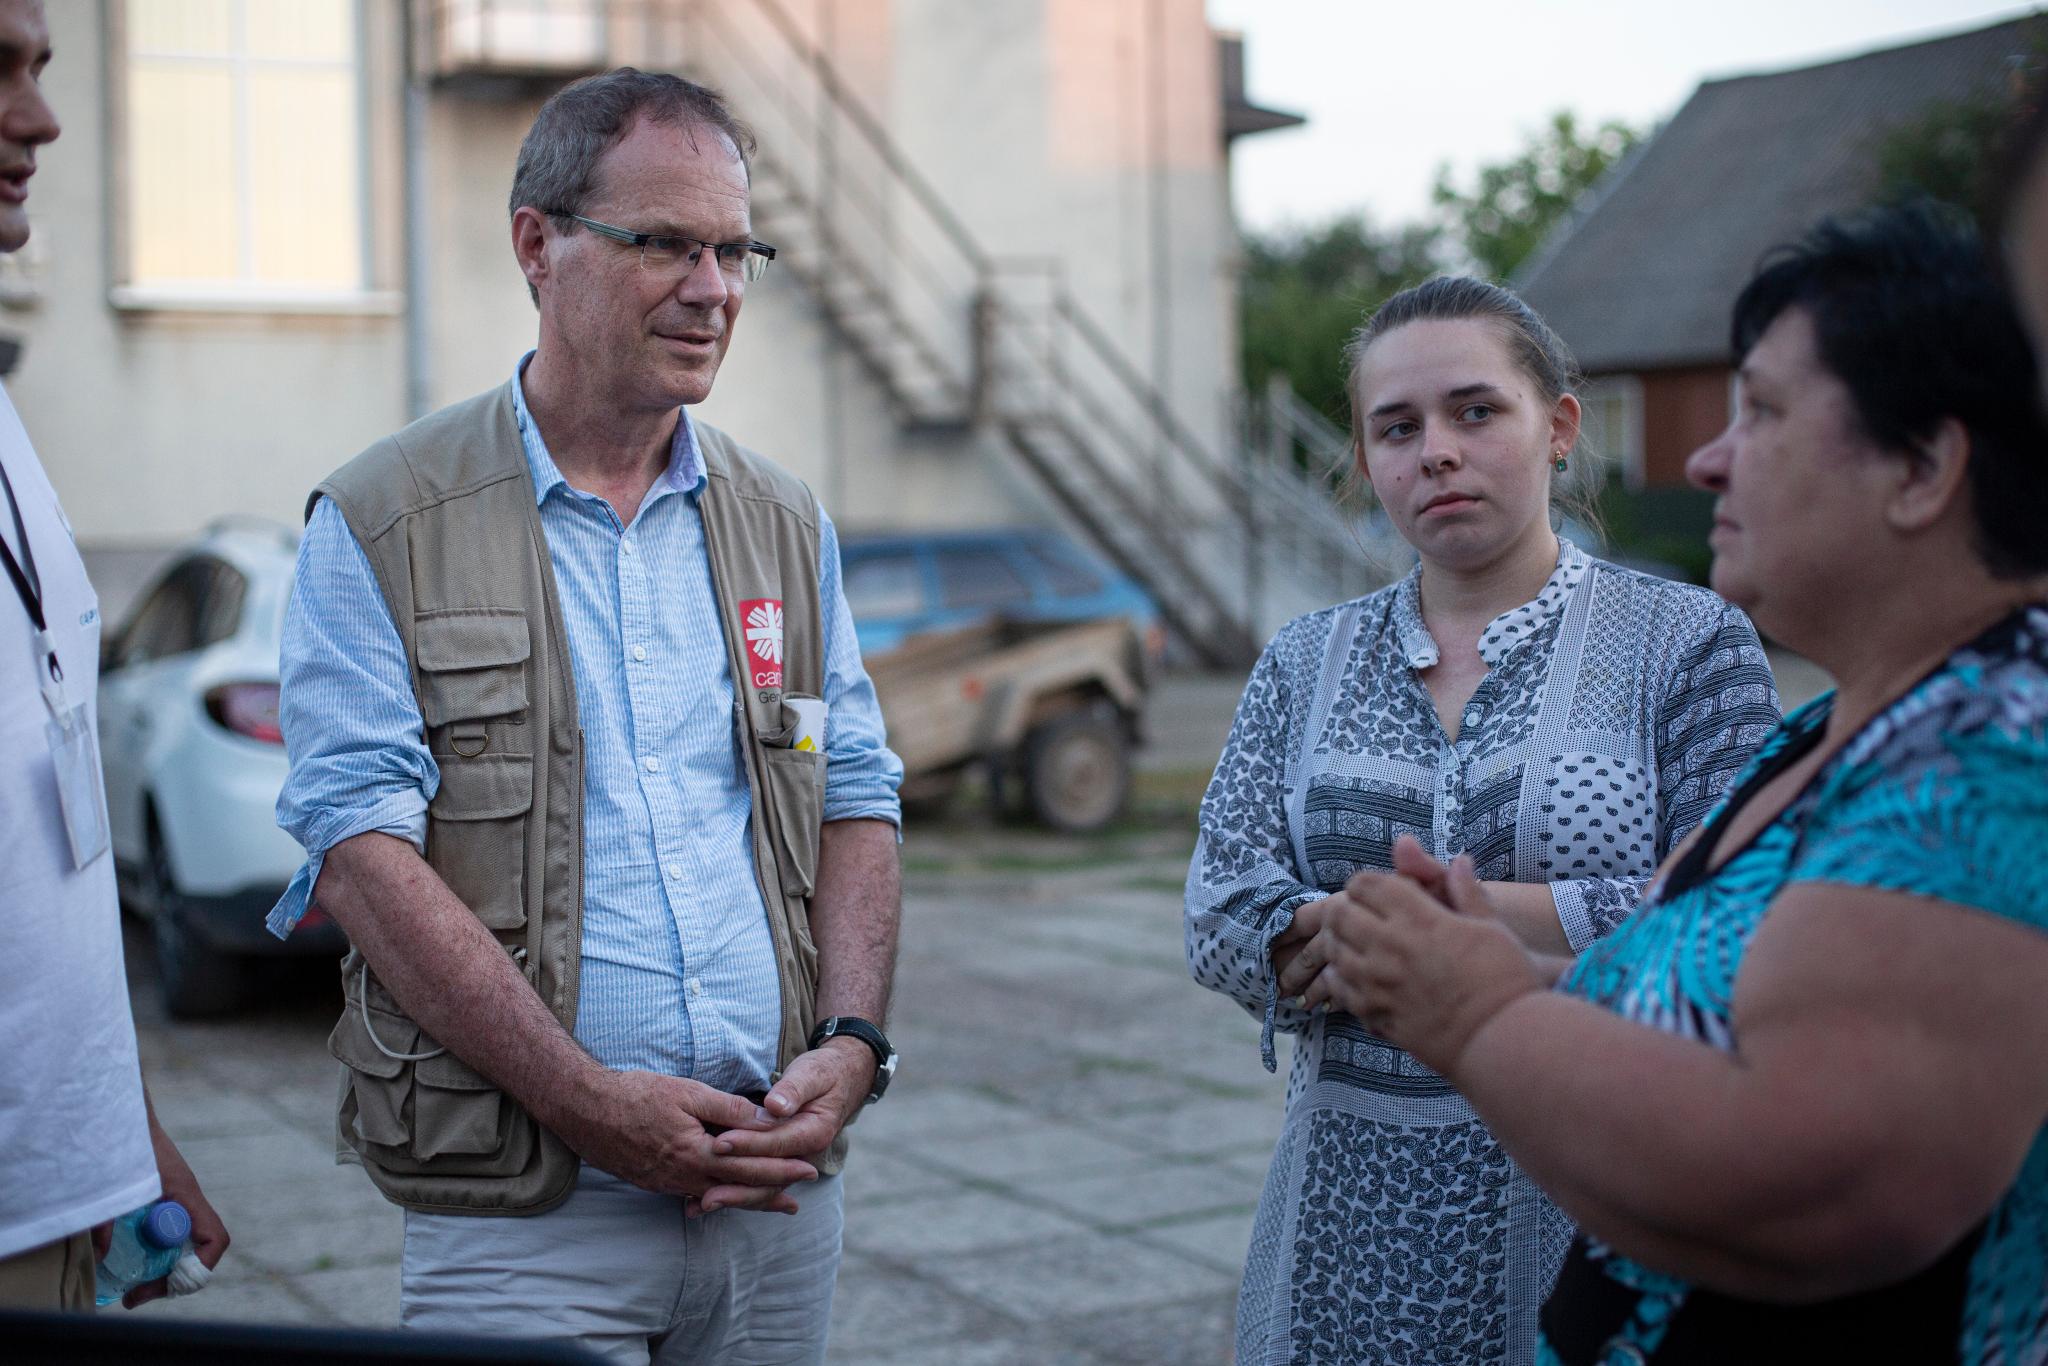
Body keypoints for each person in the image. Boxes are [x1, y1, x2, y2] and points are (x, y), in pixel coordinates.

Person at [1292, 203, 2048, 1363]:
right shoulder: (1831, 730)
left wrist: (1478, 1010)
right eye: (1394, 426)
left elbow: (1818, 1191)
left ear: (1920, 467)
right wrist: (1510, 966)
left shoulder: (1994, 754)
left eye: (1760, 411)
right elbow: (1708, 995)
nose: (1704, 457)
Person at [267, 69, 903, 1363]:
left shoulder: (782, 522)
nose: (714, 286)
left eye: (735, 249)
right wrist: (590, 1101)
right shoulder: (387, 519)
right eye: (666, 241)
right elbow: (362, 852)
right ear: (536, 245)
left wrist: (852, 1041)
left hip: (773, 1183)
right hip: (526, 1211)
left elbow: (849, 793)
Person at [1185, 276, 1779, 1362]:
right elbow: (1219, 906)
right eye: (1395, 428)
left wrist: (1411, 928)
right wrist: (1340, 936)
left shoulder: (1688, 643)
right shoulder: (1301, 659)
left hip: (1598, 1183)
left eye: (1474, 410)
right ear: (1363, 463)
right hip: (1345, 1211)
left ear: (1557, 426)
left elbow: (1736, 910)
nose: (1435, 452)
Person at [0, 0, 229, 1314]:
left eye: (39, 65)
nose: (42, 117)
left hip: (60, 1192)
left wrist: (116, 1128)